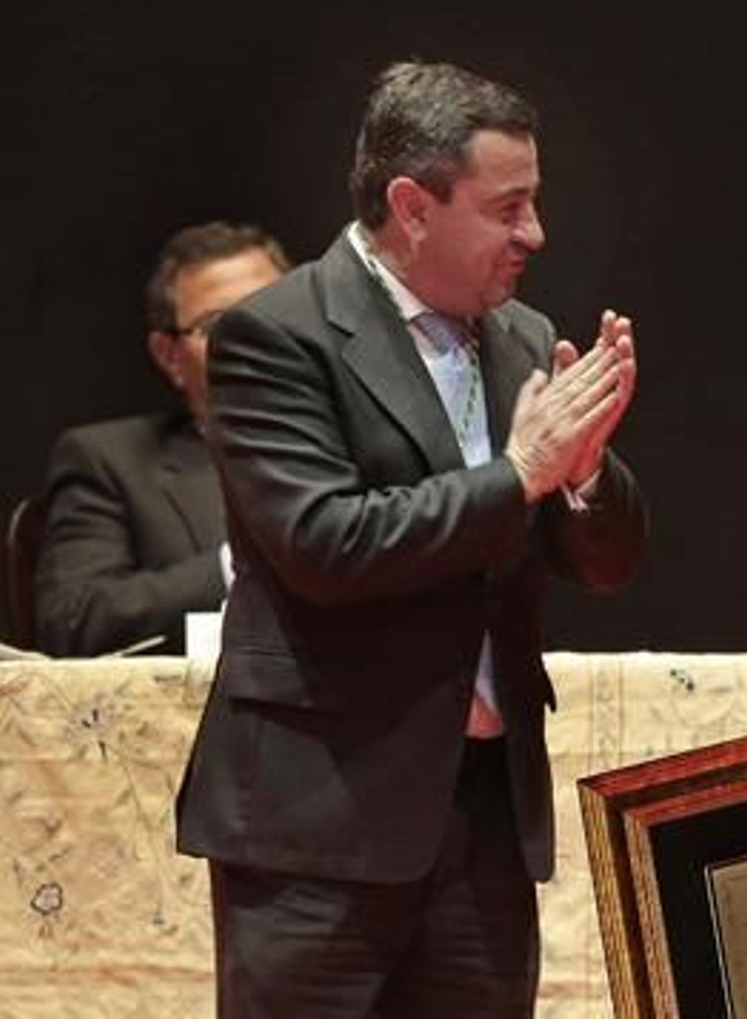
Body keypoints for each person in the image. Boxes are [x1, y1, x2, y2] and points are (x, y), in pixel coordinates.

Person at [176, 61, 647, 1017]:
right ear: (412, 205)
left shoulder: (519, 334)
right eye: (507, 206)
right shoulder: (277, 334)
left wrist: (587, 471)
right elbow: (325, 545)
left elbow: (604, 562)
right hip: (323, 826)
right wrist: (521, 473)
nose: (535, 234)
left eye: (535, 202)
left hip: (480, 820)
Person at [34, 222, 288, 656]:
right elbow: (72, 621)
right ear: (169, 356)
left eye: (275, 309)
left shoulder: (372, 437)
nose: (257, 338)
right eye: (219, 325)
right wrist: (236, 566)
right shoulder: (109, 461)